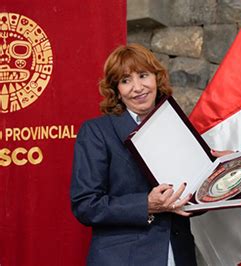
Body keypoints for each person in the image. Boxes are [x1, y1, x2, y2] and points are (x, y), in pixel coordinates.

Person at [70, 43, 197, 266]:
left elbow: (189, 196)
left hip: (179, 254)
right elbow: (86, 205)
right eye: (125, 81)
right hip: (123, 258)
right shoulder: (97, 131)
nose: (137, 87)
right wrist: (145, 204)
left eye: (143, 75)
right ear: (116, 90)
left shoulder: (177, 126)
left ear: (156, 78)